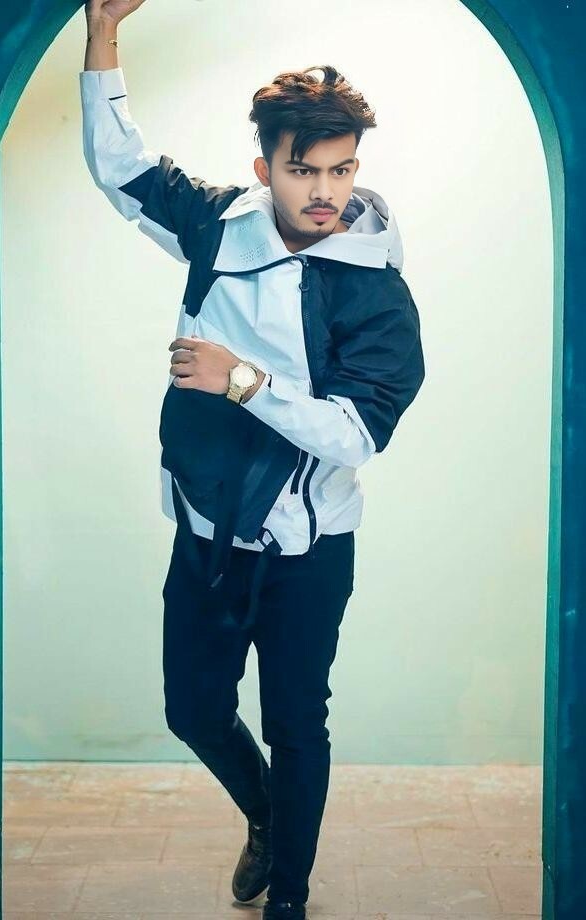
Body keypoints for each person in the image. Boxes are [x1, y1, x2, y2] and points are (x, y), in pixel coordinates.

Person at [81, 1, 425, 916]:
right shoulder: (218, 227)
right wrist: (103, 34)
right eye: (303, 169)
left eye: (340, 169)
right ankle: (270, 818)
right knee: (192, 710)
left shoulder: (375, 291)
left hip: (311, 550)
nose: (324, 191)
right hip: (208, 528)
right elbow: (120, 169)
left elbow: (354, 436)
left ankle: (290, 899)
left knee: (296, 724)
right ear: (264, 166)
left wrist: (240, 381)